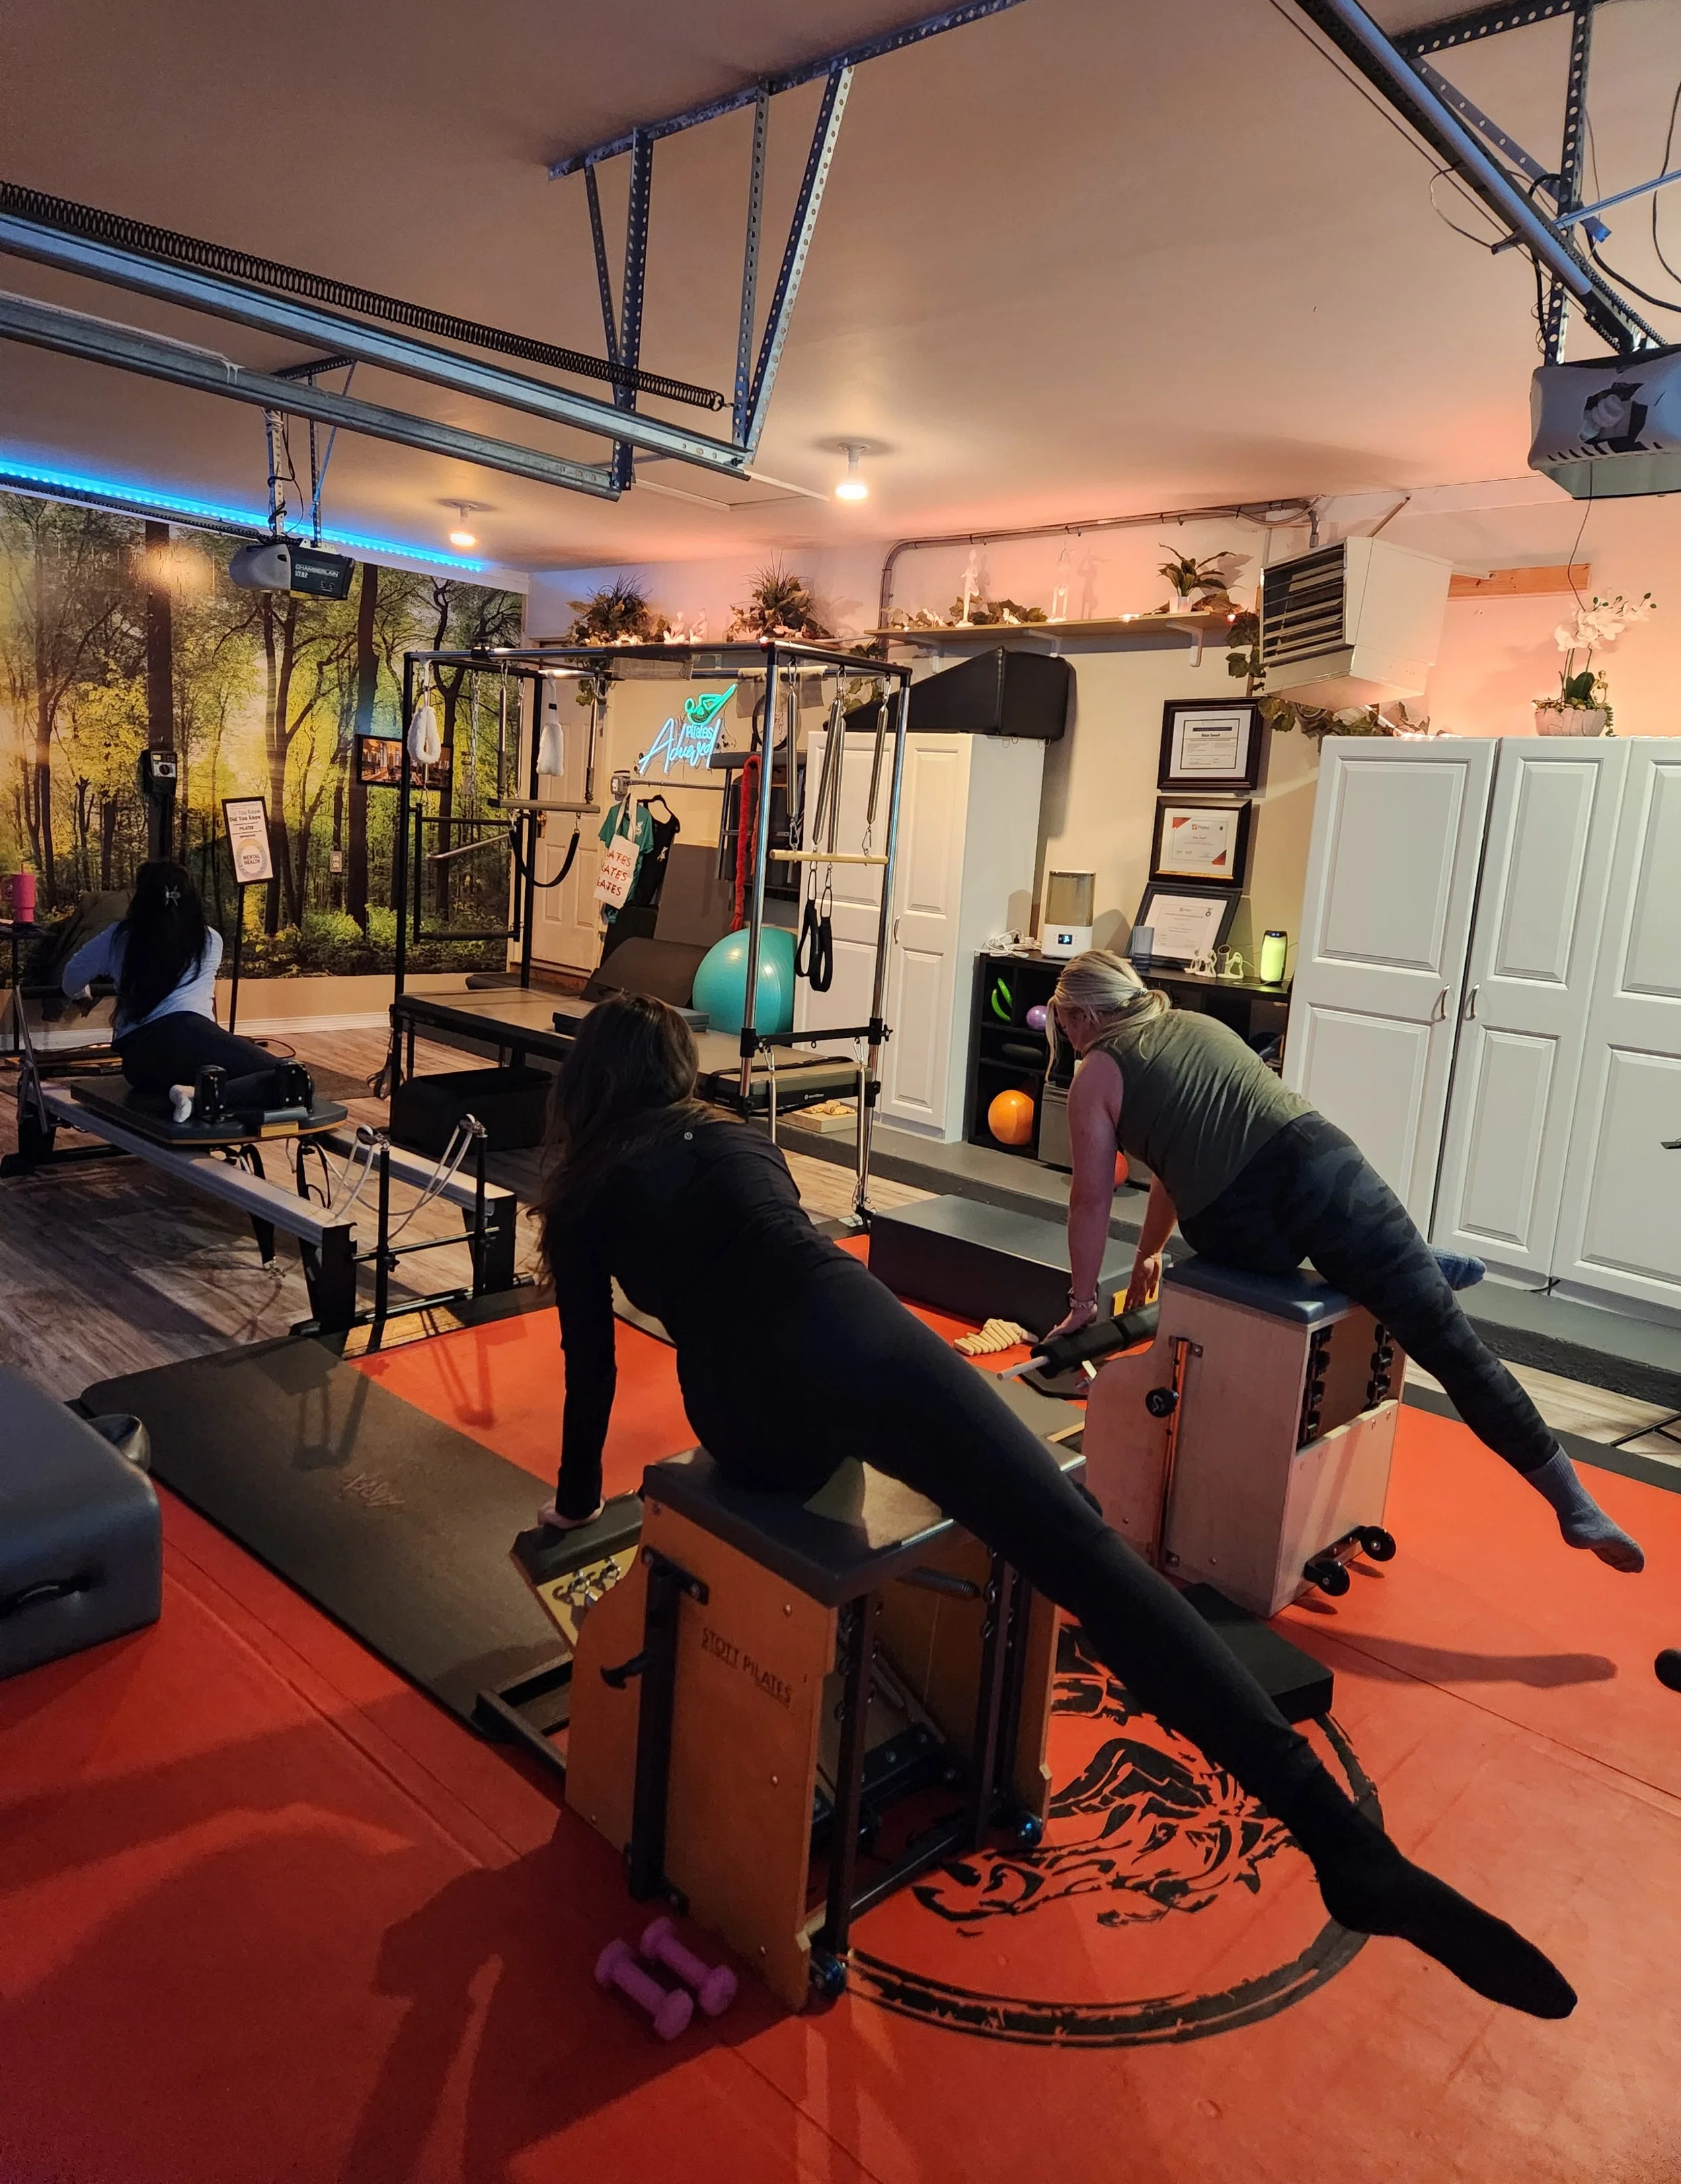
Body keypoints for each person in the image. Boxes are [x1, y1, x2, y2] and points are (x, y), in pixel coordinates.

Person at [539, 992, 1575, 2021]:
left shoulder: (585, 1191)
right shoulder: (730, 1137)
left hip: (757, 1428)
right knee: (1085, 1554)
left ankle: (1344, 1841)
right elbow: (783, 1262)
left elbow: (591, 1375)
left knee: (811, 1413)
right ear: (677, 1068)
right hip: (870, 1336)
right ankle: (1336, 1833)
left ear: (591, 1084)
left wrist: (577, 1505)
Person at [1046, 948, 1642, 1573]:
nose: (1067, 1035)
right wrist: (1149, 1254)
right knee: (1452, 1346)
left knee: (1222, 1240)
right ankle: (1575, 1504)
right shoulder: (1195, 1025)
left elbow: (1090, 1199)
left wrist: (1084, 1302)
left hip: (1243, 1218)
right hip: (1320, 1151)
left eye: (1066, 1021)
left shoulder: (1097, 1074)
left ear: (1083, 1014)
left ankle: (1402, 1259)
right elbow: (1183, 1156)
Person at [61, 859, 307, 1117]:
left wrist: (82, 993)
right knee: (293, 1079)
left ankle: (194, 1094)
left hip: (140, 1066)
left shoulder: (119, 936)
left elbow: (70, 980)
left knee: (277, 1077)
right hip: (193, 1039)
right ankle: (196, 1093)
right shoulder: (210, 940)